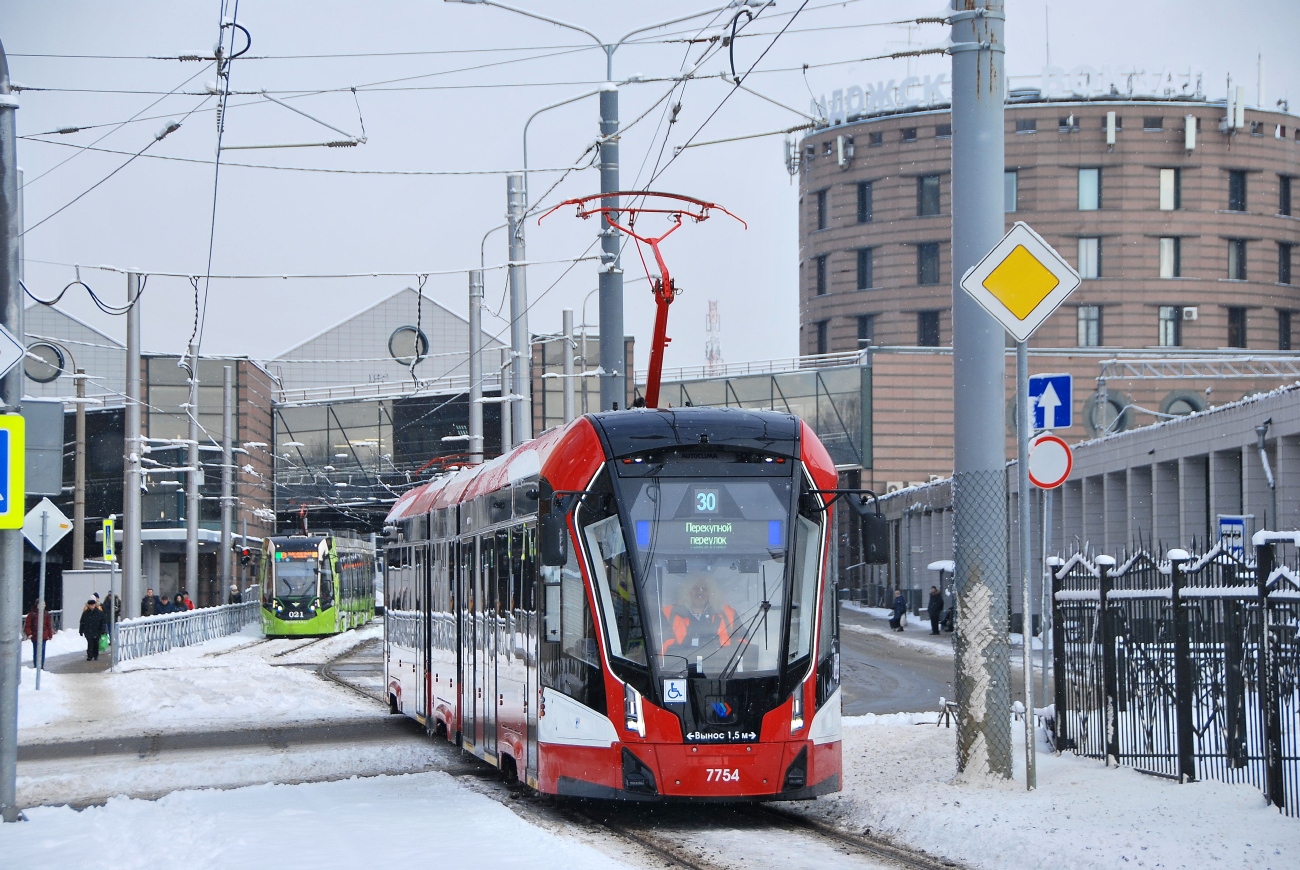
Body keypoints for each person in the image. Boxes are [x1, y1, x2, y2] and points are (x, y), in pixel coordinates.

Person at [660, 578, 737, 659]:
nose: (700, 592)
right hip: (679, 667)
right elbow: (659, 643)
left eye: (705, 589)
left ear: (711, 593)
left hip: (721, 667)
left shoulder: (728, 613)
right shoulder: (668, 613)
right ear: (686, 592)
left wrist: (726, 653)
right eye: (695, 588)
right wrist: (683, 650)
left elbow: (742, 641)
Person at [23, 601, 55, 669]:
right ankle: (36, 666)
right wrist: (29, 634)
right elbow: (27, 625)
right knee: (36, 651)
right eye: (42, 604)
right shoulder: (32, 614)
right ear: (37, 605)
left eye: (44, 604)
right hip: (35, 636)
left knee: (42, 651)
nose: (44, 605)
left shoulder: (46, 614)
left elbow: (49, 625)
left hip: (43, 635)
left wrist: (50, 634)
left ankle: (41, 666)